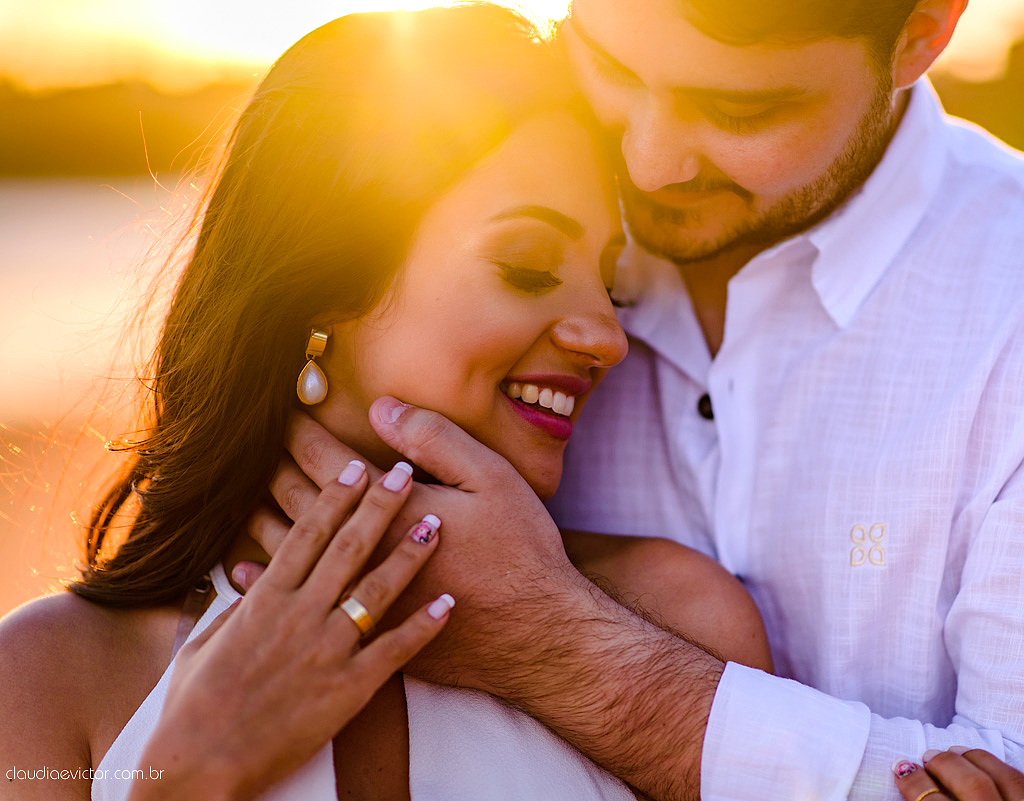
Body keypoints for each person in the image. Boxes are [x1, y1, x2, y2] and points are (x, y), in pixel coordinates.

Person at [271, 0, 1024, 799]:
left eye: (741, 106)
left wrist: (552, 641)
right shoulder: (506, 225)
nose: (649, 160)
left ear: (920, 33)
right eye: (611, 65)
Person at [0, 7, 772, 800]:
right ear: (323, 288)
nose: (605, 335)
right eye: (528, 266)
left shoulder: (671, 620)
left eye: (610, 286)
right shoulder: (46, 674)